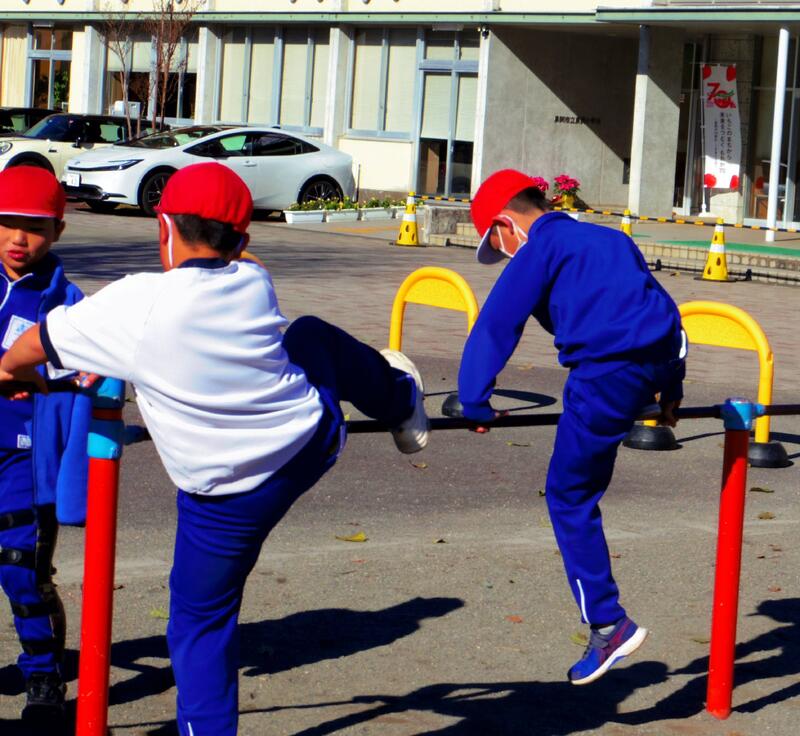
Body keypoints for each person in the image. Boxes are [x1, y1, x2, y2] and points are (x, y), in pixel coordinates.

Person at [0, 162, 430, 736]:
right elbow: (247, 262)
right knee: (310, 335)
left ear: (163, 229)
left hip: (218, 495)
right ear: (242, 241)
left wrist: (11, 370)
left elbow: (29, 347)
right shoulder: (253, 282)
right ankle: (400, 399)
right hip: (302, 448)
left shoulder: (134, 303)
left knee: (198, 624)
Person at [458, 169, 686, 686]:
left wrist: (473, 399)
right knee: (584, 469)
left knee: (569, 496)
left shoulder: (538, 248)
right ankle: (608, 622)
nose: (503, 256)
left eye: (497, 244)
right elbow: (666, 312)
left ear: (506, 225)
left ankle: (608, 624)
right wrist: (672, 387)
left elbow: (497, 323)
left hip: (603, 375)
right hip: (653, 365)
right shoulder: (611, 239)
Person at [0, 166, 92, 728]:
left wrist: (42, 376)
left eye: (35, 227)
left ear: (57, 230)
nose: (18, 238)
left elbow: (85, 375)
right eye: (8, 222)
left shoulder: (67, 302)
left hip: (25, 457)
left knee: (21, 568)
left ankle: (43, 672)